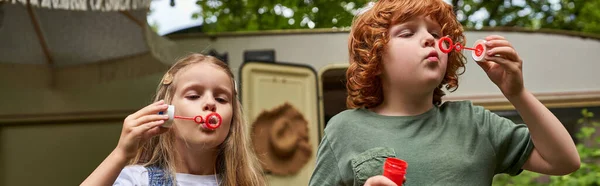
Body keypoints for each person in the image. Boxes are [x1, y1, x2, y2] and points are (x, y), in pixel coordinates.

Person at [309, 0, 580, 185]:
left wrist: (517, 93)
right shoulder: (344, 130)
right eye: (407, 33)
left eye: (437, 34)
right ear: (375, 60)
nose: (431, 40)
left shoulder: (474, 123)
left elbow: (564, 161)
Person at [81, 53, 266, 186]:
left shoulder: (249, 183)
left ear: (232, 120)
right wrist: (120, 154)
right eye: (194, 96)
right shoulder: (139, 180)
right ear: (167, 112)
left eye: (221, 99)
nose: (210, 103)